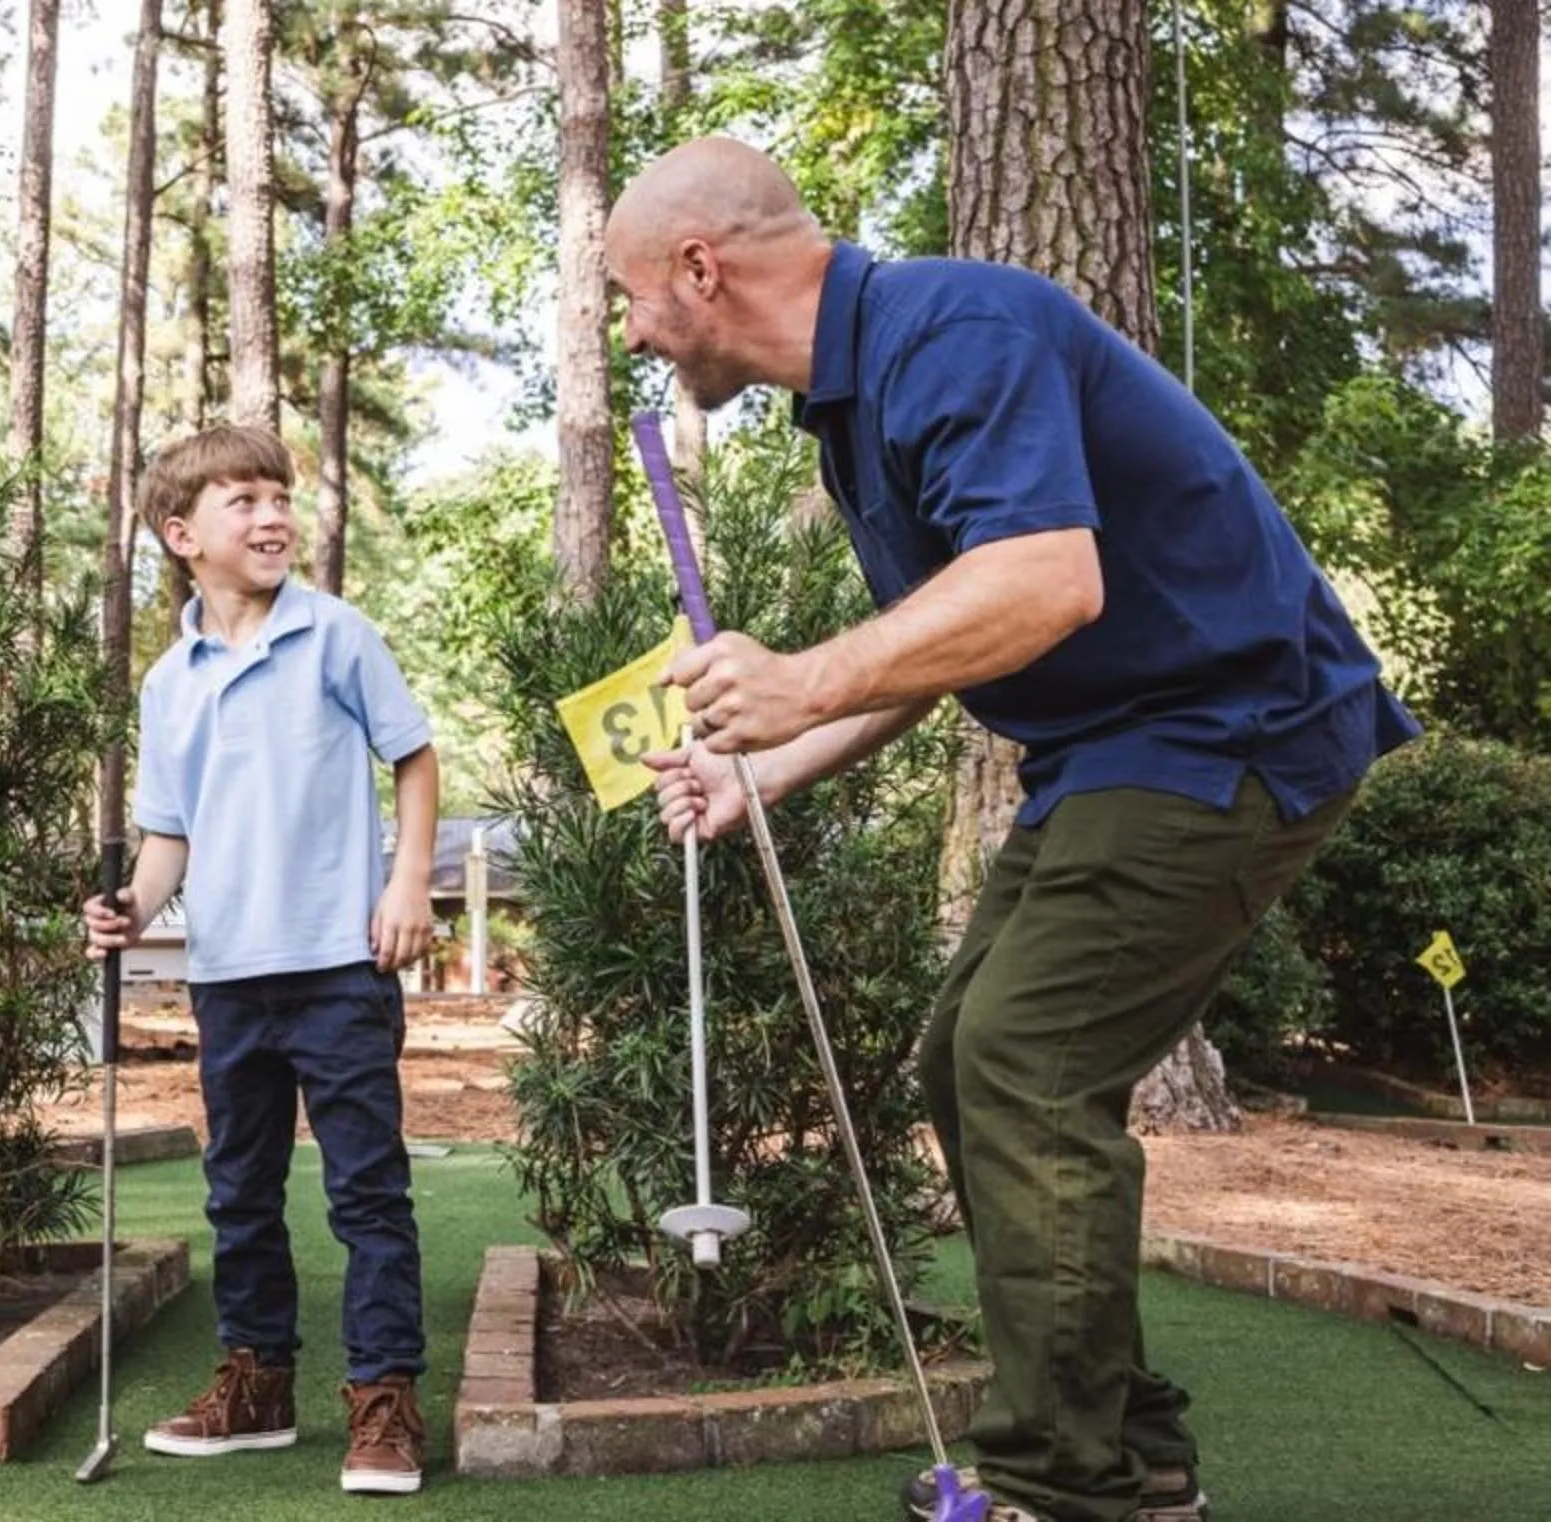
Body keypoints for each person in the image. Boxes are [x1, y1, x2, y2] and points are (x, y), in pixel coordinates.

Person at [609, 137, 1419, 1522]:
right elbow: (940, 647)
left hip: (1235, 729)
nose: (632, 331)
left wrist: (802, 675)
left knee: (1025, 1062)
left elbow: (1047, 582)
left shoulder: (953, 326)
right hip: (1115, 750)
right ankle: (1140, 1458)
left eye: (631, 296)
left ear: (702, 266)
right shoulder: (856, 402)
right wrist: (770, 769)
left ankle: (1063, 1488)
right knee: (961, 1064)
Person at [79, 424, 443, 1497]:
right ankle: (259, 1383)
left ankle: (383, 1399)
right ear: (182, 534)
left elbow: (415, 757)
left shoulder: (336, 636)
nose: (274, 513)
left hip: (340, 964)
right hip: (229, 974)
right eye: (243, 499)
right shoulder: (169, 682)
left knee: (366, 1192)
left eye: (280, 494)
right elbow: (168, 838)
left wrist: (409, 881)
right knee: (240, 1189)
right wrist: (128, 908)